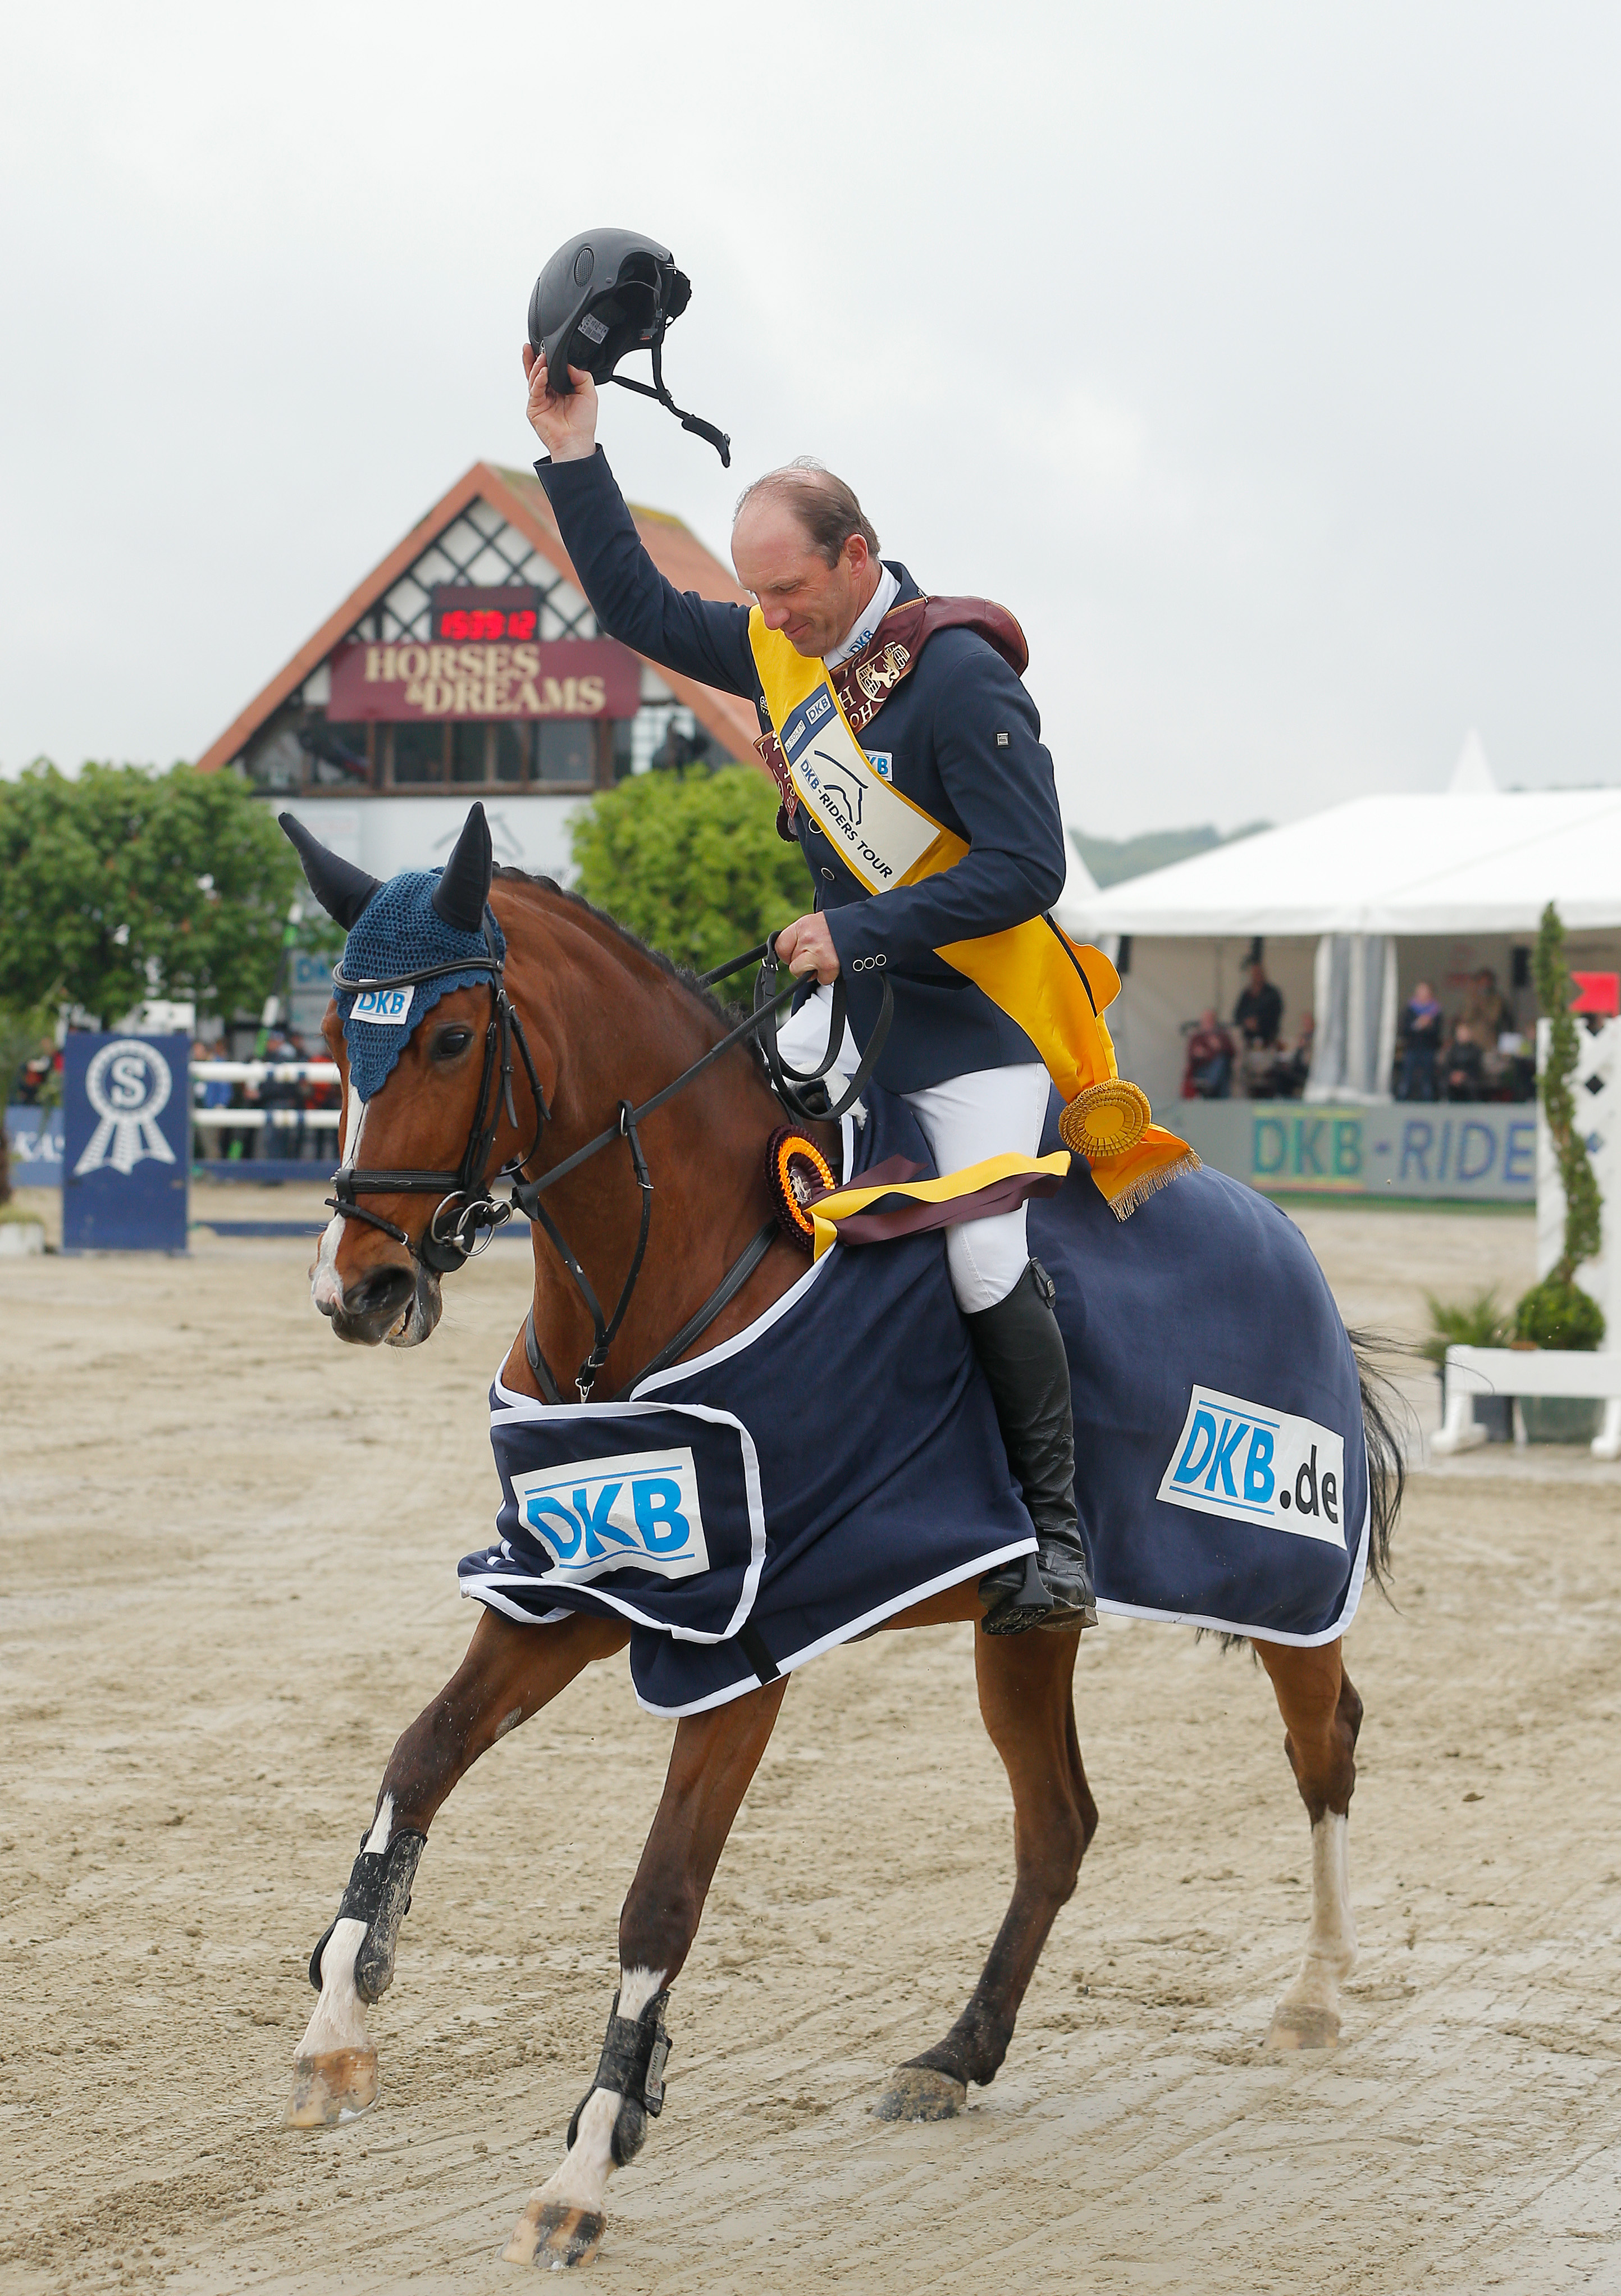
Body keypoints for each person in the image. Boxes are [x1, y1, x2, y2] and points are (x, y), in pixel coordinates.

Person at [523, 345, 1098, 1635]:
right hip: (852, 1012)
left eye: (786, 593)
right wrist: (572, 450)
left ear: (856, 558)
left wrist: (860, 928)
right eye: (755, 599)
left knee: (979, 1250)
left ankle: (1055, 1537)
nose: (768, 621)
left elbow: (1026, 869)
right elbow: (633, 606)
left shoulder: (957, 678)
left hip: (976, 1025)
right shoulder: (791, 651)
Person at [1397, 981, 1444, 1101]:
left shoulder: (1436, 1011)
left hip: (1428, 1050)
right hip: (1412, 1049)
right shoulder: (1410, 1009)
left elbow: (1438, 1033)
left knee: (1427, 1082)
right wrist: (1418, 1025)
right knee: (1407, 1080)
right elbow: (1404, 1030)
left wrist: (1428, 1026)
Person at [1181, 1011, 1235, 1099]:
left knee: (1221, 1062)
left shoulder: (1222, 1036)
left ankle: (1210, 1086)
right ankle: (1209, 1086)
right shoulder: (1197, 1037)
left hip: (1220, 1072)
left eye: (1210, 1021)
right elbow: (1192, 1056)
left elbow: (1232, 1053)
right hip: (1202, 1070)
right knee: (1219, 1069)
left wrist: (1218, 1048)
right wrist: (1209, 1052)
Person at [1234, 960, 1283, 1052]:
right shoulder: (1247, 994)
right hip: (1248, 1041)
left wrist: (1259, 1022)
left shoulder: (1272, 994)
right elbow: (1237, 1015)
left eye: (1258, 973)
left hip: (1267, 1039)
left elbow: (1276, 1013)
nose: (1256, 976)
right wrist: (1247, 1022)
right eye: (1254, 974)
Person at [1442, 1019, 1485, 1101]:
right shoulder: (1452, 1050)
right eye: (1460, 1033)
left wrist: (1463, 1075)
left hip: (1469, 1077)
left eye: (1465, 1033)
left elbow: (1477, 1067)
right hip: (1453, 1077)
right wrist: (1453, 1075)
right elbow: (1447, 1066)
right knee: (1444, 1083)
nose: (1462, 1036)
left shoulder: (1476, 1050)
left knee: (1472, 1085)